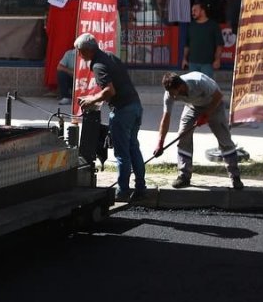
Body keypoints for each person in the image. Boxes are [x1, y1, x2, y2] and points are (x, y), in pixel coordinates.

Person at [74, 33, 146, 202]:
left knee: (122, 153)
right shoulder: (109, 56)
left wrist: (92, 99)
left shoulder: (98, 65)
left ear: (86, 50)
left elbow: (110, 91)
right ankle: (141, 188)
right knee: (133, 147)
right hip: (135, 106)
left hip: (122, 111)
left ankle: (122, 191)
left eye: (79, 51)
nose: (78, 55)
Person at [152, 72, 243, 191]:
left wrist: (206, 115)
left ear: (180, 86)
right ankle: (184, 175)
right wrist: (160, 143)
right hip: (193, 107)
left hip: (214, 105)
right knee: (183, 136)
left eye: (175, 94)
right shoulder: (169, 94)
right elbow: (166, 117)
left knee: (224, 139)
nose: (174, 97)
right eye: (171, 94)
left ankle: (235, 177)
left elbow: (218, 96)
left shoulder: (199, 81)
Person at [183, 1, 222, 75]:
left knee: (207, 86)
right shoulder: (191, 26)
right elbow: (187, 44)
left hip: (207, 63)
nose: (193, 13)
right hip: (192, 63)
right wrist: (184, 59)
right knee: (193, 85)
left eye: (195, 10)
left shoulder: (213, 26)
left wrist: (217, 60)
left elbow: (219, 45)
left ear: (202, 11)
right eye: (192, 11)